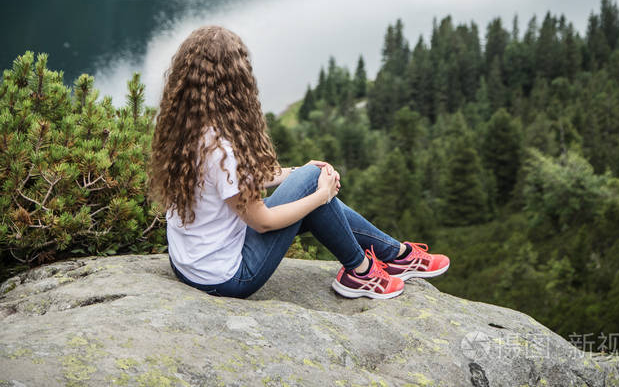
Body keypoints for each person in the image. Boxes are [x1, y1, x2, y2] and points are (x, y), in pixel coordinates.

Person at [148, 25, 450, 299]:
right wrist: (320, 195)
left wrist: (289, 175)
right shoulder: (223, 148)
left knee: (308, 178)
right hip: (228, 278)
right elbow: (263, 223)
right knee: (314, 187)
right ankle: (363, 270)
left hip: (187, 264)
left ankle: (392, 255)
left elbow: (227, 182)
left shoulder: (186, 126)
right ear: (236, 79)